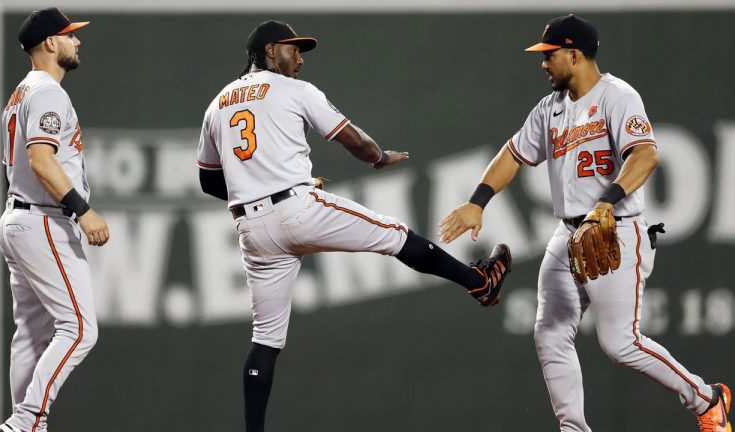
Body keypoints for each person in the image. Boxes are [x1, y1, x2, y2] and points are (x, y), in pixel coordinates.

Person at [197, 20, 512, 432]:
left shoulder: (218, 103)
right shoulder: (295, 90)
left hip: (252, 230)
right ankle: (478, 282)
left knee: (266, 339)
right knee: (395, 235)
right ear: (270, 50)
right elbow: (352, 140)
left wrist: (255, 192)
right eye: (294, 49)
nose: (300, 58)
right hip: (296, 208)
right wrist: (379, 157)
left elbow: (207, 180)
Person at [439, 14, 731, 432]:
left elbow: (645, 156)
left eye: (550, 55)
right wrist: (477, 201)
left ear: (574, 55)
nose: (543, 63)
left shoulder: (618, 97)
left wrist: (606, 203)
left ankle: (706, 399)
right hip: (568, 234)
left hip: (617, 230)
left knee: (620, 343)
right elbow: (513, 154)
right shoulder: (550, 108)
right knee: (550, 331)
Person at [0, 8, 109, 432]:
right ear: (49, 43)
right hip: (43, 219)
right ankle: (25, 422)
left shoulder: (19, 94)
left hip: (18, 218)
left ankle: (24, 426)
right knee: (80, 329)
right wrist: (83, 210)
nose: (76, 41)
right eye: (68, 35)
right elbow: (41, 161)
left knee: (31, 331)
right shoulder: (47, 92)